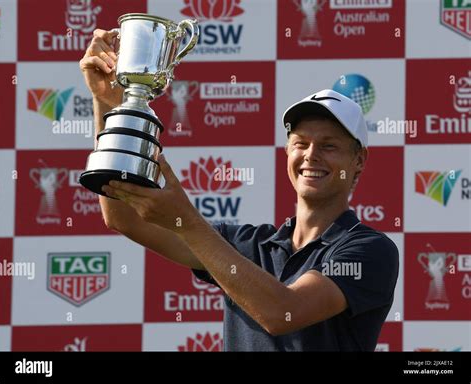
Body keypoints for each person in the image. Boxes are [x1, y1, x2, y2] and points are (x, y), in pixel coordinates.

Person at [80, 29, 399, 352]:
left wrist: (188, 221)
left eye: (329, 146)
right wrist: (108, 104)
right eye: (301, 143)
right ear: (287, 152)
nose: (311, 155)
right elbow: (124, 218)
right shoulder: (247, 245)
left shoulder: (370, 250)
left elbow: (283, 312)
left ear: (358, 160)